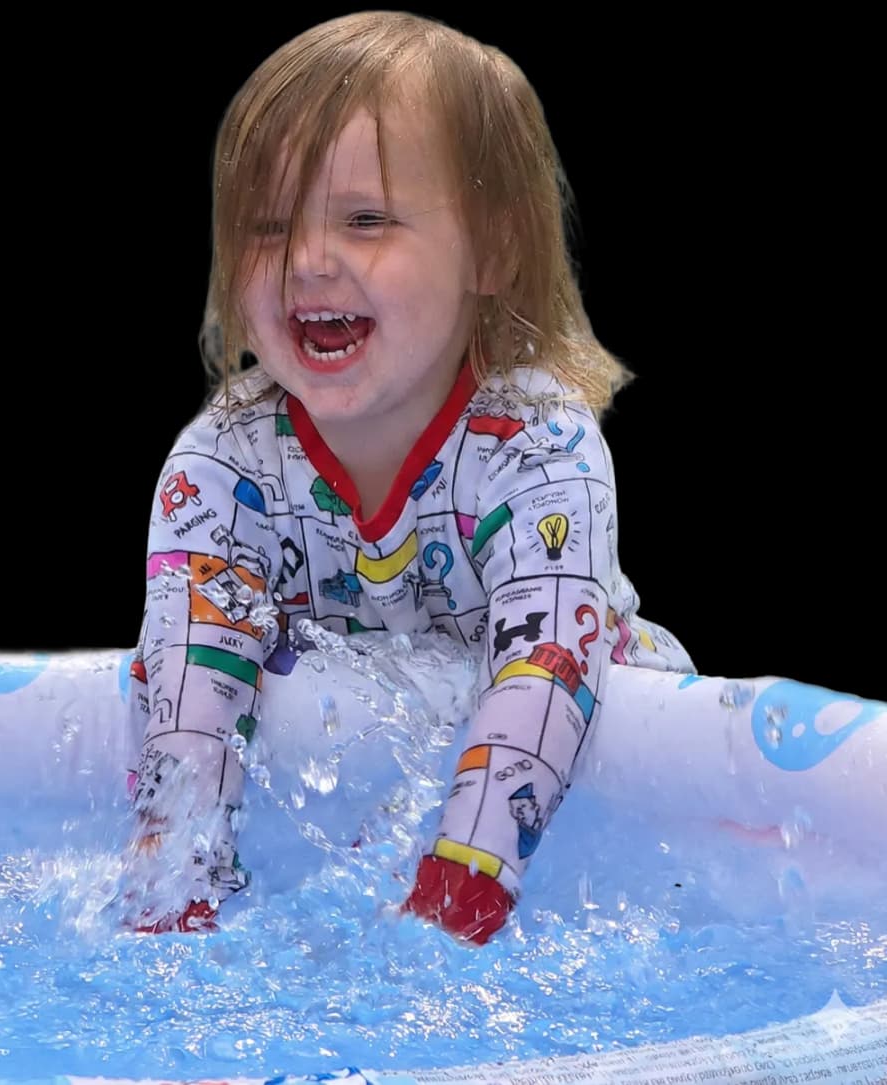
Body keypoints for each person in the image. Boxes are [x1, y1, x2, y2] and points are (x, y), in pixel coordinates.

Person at [123, 10, 694, 943]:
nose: (309, 260)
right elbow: (188, 691)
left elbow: (542, 667)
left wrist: (459, 886)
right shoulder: (225, 463)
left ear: (496, 249)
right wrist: (172, 895)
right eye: (269, 228)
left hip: (589, 802)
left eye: (366, 220)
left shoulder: (535, 445)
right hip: (365, 827)